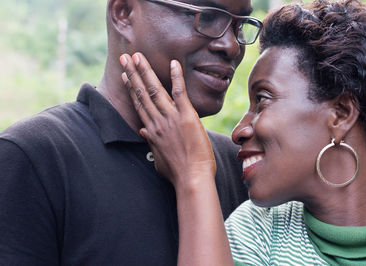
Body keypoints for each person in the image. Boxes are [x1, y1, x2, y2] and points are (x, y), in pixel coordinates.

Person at [121, 0, 366, 265]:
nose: (239, 131)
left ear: (341, 113)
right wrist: (194, 175)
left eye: (263, 99)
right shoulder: (257, 234)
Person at [0, 0, 263, 264]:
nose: (231, 46)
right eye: (206, 17)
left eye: (239, 26)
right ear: (123, 13)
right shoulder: (34, 157)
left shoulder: (239, 164)